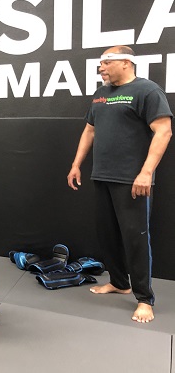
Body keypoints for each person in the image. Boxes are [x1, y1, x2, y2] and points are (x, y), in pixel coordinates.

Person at [67, 46, 172, 323]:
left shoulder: (147, 91)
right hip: (102, 175)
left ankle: (144, 299)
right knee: (107, 234)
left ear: (126, 63)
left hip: (132, 180)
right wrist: (77, 164)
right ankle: (118, 282)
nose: (100, 68)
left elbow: (163, 130)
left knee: (135, 239)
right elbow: (90, 130)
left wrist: (147, 172)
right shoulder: (100, 95)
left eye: (106, 63)